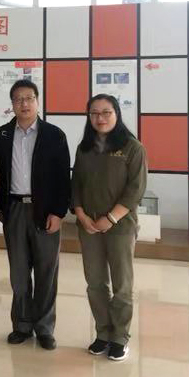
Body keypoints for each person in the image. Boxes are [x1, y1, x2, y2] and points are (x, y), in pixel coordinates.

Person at [0, 80, 71, 350]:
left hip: (45, 210)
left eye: (29, 98)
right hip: (15, 209)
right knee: (19, 272)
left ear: (37, 101)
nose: (24, 104)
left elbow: (63, 178)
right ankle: (22, 325)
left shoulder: (54, 135)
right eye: (18, 99)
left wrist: (58, 212)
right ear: (12, 104)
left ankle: (45, 328)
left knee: (47, 271)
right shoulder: (3, 134)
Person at [72, 94, 147, 362]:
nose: (100, 118)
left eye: (106, 112)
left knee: (122, 285)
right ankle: (103, 333)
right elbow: (76, 184)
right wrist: (81, 214)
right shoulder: (85, 148)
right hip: (89, 226)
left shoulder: (132, 148)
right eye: (94, 113)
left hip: (120, 226)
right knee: (95, 283)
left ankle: (120, 337)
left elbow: (135, 189)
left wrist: (111, 219)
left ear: (117, 113)